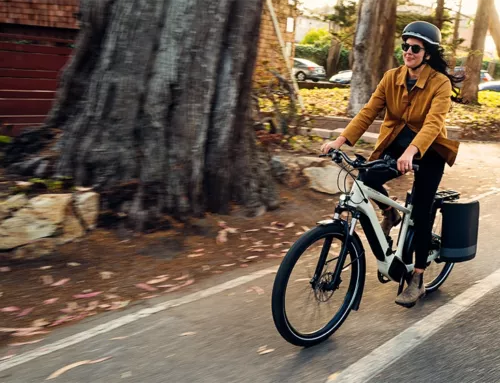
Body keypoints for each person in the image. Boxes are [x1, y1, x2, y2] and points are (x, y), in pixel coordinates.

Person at [320, 21, 464, 308]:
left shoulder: (440, 83)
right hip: (396, 146)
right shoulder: (391, 77)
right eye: (405, 46)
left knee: (421, 210)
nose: (408, 52)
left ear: (428, 53)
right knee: (365, 180)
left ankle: (418, 278)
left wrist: (412, 152)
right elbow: (367, 112)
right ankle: (391, 213)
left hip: (430, 150)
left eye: (415, 48)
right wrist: (340, 141)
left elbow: (434, 123)